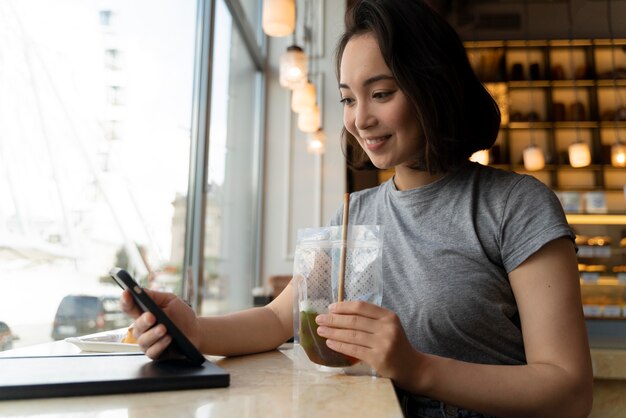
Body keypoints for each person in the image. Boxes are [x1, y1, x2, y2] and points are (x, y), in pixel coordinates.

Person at [121, 1, 593, 417]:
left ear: (434, 86)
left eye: (381, 93)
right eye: (348, 98)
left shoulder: (515, 206)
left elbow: (568, 392)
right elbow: (275, 321)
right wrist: (195, 330)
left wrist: (416, 368)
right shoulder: (353, 216)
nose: (359, 119)